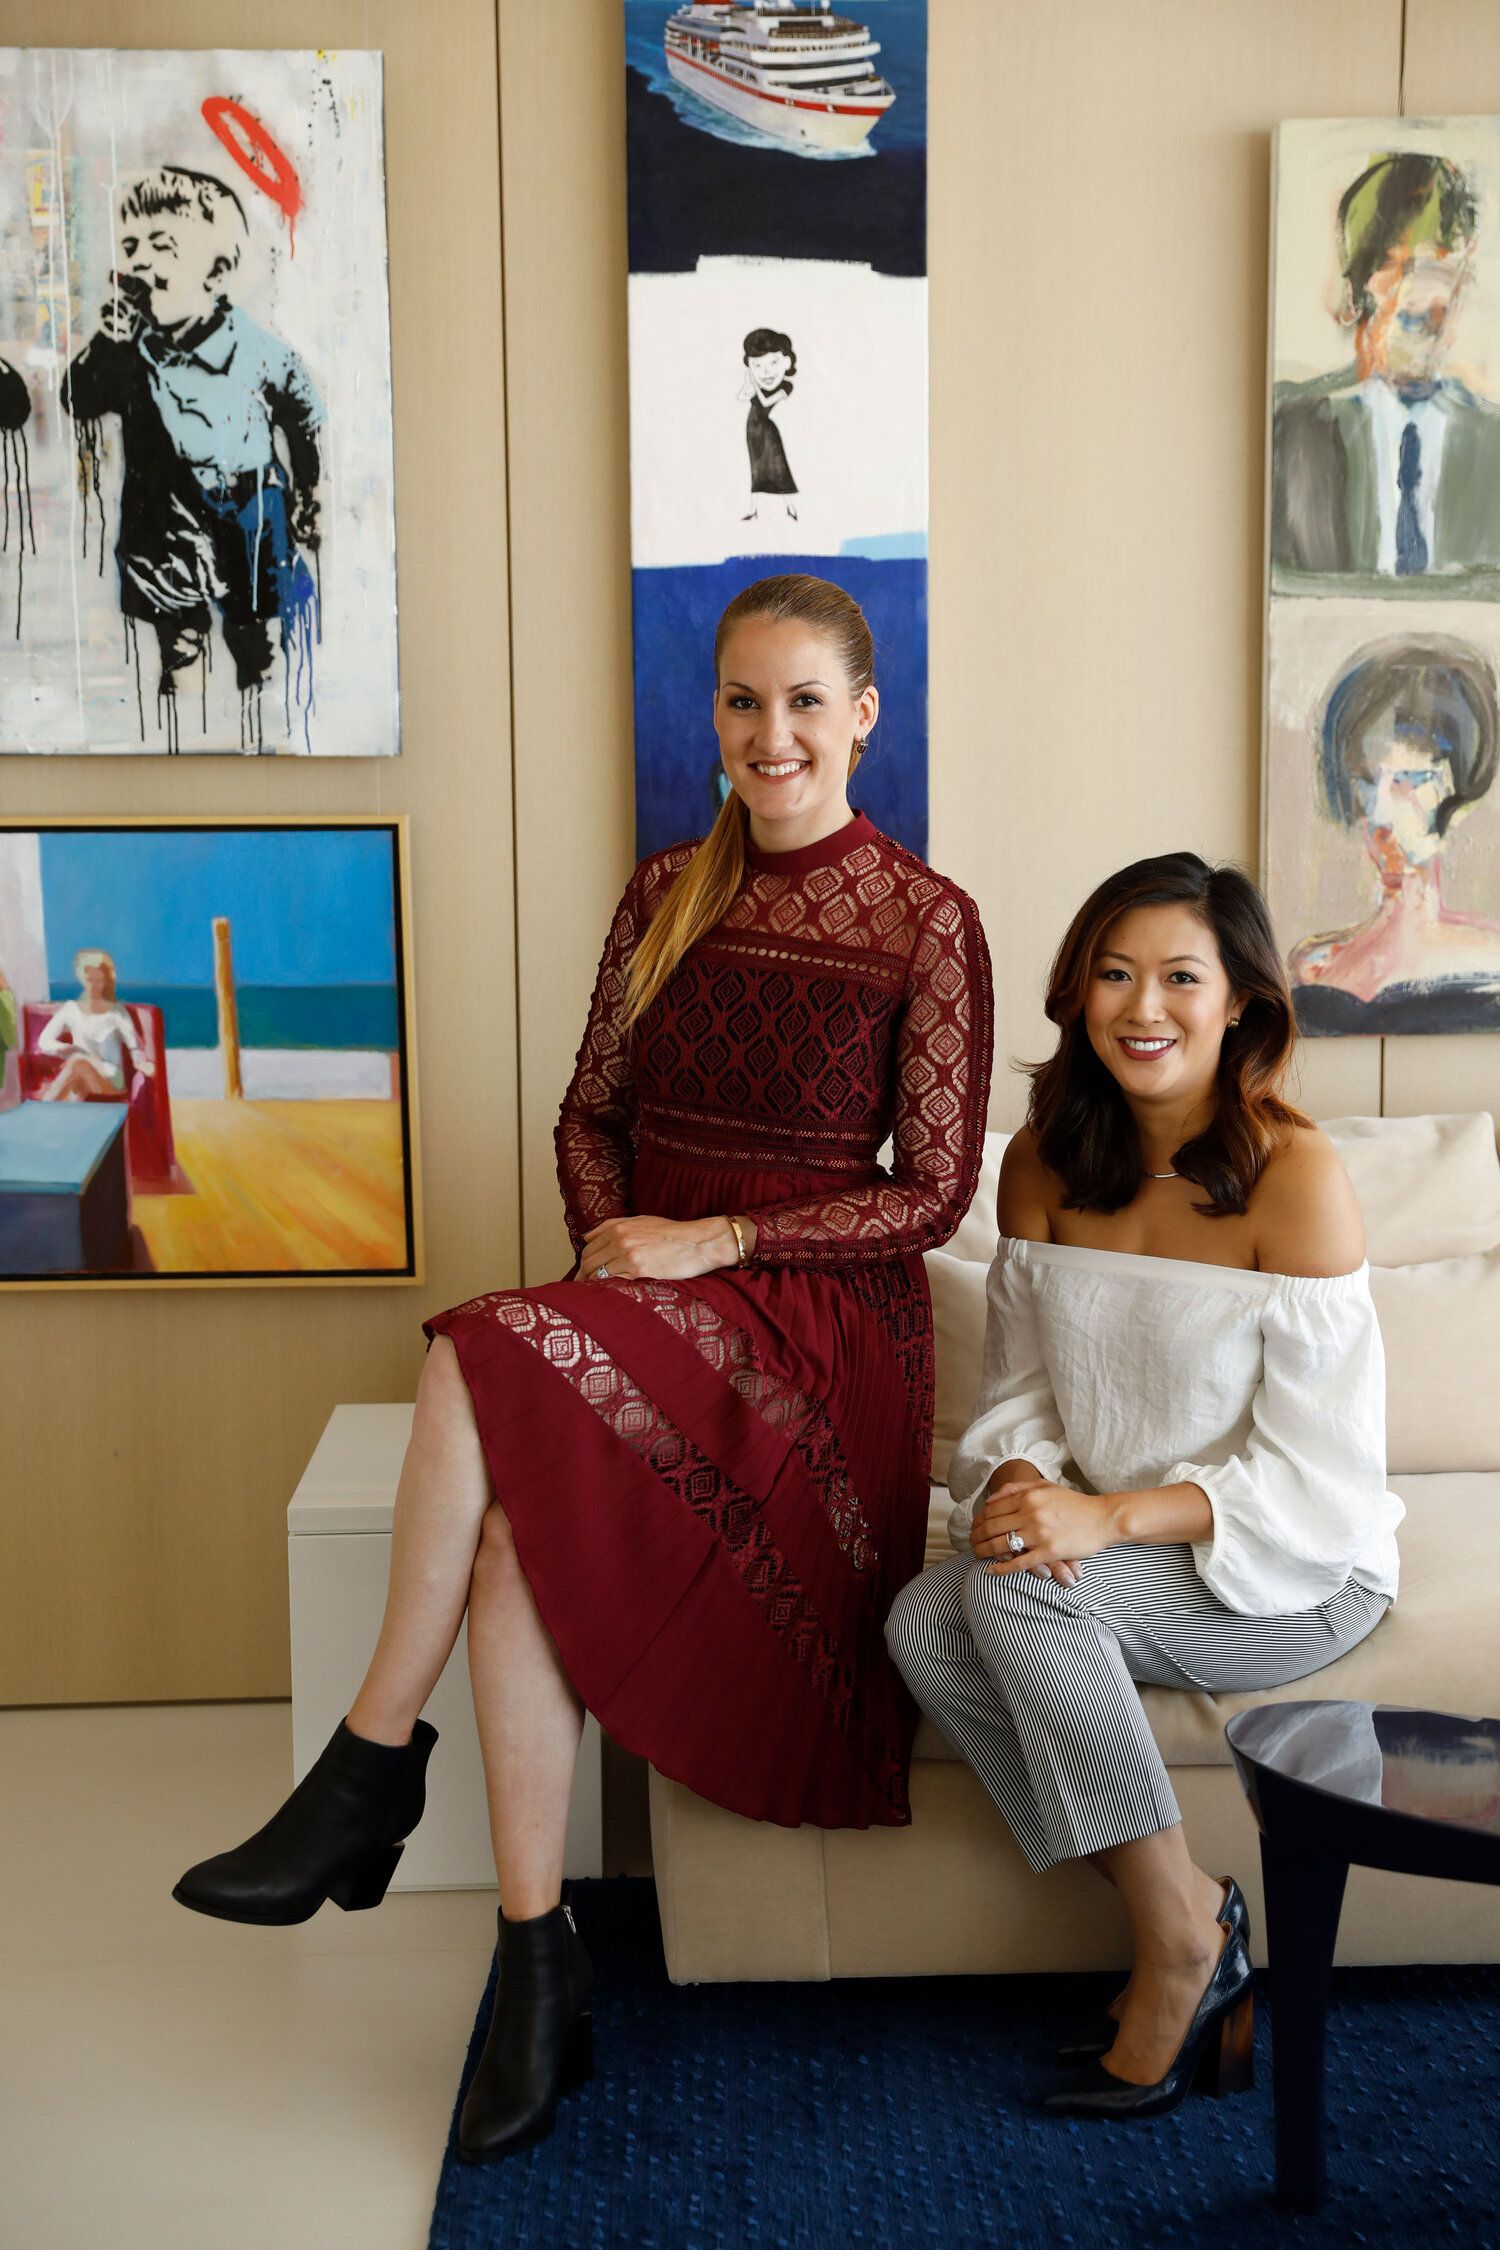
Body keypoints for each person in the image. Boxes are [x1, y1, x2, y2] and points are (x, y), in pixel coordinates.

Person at [172, 573, 993, 2162]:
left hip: (819, 1337)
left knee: (482, 1346)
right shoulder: (662, 892)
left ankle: (367, 1774)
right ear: (717, 714)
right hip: (656, 1305)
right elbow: (587, 1119)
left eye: (807, 702)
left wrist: (714, 1248)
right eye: (745, 701)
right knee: (508, 1536)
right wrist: (622, 1244)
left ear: (865, 716)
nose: (774, 734)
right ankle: (538, 1953)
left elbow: (933, 1191)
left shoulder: (923, 918)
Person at [886, 852, 1402, 2122]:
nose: (1143, 1006)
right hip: (1110, 1550)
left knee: (1009, 1602)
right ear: (1076, 997)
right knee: (917, 1621)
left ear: (1242, 1006)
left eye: (1181, 976)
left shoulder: (1295, 1179)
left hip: (1290, 1565)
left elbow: (1316, 1474)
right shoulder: (1043, 1167)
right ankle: (1184, 1910)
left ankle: (1178, 1955)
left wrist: (1100, 1518)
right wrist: (1016, 1476)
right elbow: (1023, 1395)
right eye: (1114, 975)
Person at [60, 167, 322, 747]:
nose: (142, 264)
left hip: (250, 512)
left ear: (217, 272)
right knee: (178, 644)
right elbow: (78, 400)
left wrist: (309, 493)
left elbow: (302, 414)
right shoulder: (129, 351)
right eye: (130, 247)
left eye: (163, 247)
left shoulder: (254, 349)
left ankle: (265, 746)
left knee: (258, 640)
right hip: (162, 519)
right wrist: (106, 343)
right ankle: (183, 752)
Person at [1272, 149, 1500, 583]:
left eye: (1436, 265)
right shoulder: (1292, 428)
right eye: (1393, 266)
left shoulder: (1493, 445)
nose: (1414, 296)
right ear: (1358, 289)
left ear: (1460, 282)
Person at [1290, 635, 1500, 1032]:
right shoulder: (1313, 963)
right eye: (1367, 782)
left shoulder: (1490, 960)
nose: (1379, 812)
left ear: (1458, 786)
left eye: (1409, 779)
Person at [36, 950, 155, 1102]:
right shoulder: (71, 1009)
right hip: (81, 1074)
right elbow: (44, 1041)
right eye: (89, 980)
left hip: (111, 1079)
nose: (93, 986)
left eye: (98, 981)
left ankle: (43, 1110)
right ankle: (53, 1117)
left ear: (106, 981)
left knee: (78, 1063)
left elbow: (135, 1047)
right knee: (76, 1079)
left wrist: (143, 1064)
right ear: (81, 978)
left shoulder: (116, 1012)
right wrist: (67, 1048)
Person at [739, 327, 799, 523]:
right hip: (753, 430)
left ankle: (791, 507)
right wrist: (749, 383)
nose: (765, 371)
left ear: (787, 362)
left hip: (767, 431)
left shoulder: (786, 386)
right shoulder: (757, 383)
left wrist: (754, 383)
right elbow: (741, 396)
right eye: (757, 365)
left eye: (773, 362)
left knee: (779, 469)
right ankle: (753, 508)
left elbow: (765, 402)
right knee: (756, 469)